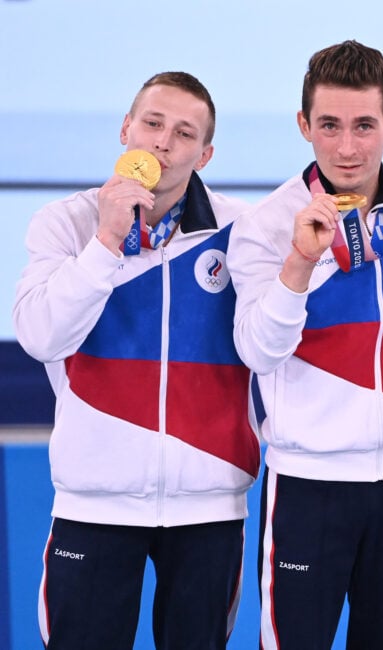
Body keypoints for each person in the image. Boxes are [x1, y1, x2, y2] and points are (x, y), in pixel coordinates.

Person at [225, 40, 383, 649]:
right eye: (329, 126)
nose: (348, 147)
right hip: (308, 487)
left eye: (364, 126)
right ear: (305, 126)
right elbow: (257, 351)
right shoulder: (266, 223)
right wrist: (301, 262)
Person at [12, 72, 260, 649]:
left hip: (209, 505)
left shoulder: (241, 231)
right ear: (126, 128)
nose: (162, 143)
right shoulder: (66, 224)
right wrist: (105, 242)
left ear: (206, 154)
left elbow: (273, 339)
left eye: (183, 133)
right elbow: (40, 336)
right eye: (151, 123)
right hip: (94, 502)